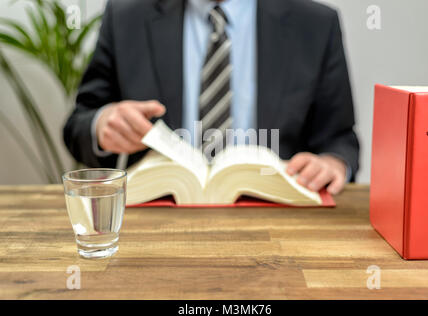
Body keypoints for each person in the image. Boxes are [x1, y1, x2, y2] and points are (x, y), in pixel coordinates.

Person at [64, 0, 360, 195]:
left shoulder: (316, 24)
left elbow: (339, 139)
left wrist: (332, 162)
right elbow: (79, 124)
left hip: (280, 217)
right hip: (159, 217)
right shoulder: (126, 16)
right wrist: (102, 124)